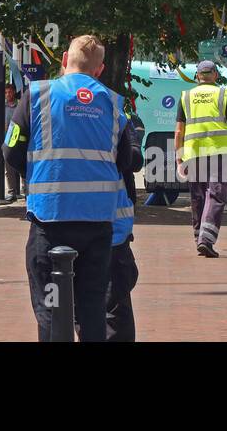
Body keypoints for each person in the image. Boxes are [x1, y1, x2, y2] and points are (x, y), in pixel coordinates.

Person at [4, 34, 126, 342]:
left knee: (51, 306)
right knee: (92, 307)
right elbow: (125, 160)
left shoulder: (37, 94)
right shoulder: (112, 102)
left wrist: (37, 176)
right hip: (98, 223)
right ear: (99, 70)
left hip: (50, 220)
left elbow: (11, 151)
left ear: (63, 60)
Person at [175, 60, 227, 257]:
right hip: (219, 151)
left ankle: (199, 235)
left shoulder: (186, 96)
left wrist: (179, 159)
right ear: (215, 75)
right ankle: (206, 239)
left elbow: (179, 132)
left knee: (198, 196)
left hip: (193, 153)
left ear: (198, 76)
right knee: (216, 195)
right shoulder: (223, 94)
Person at [105, 108, 142, 342]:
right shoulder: (115, 114)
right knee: (114, 303)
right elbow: (134, 160)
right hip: (113, 229)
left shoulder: (46, 108)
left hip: (57, 223)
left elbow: (14, 155)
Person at [3, 83, 23, 200]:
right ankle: (12, 192)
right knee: (9, 167)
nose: (8, 94)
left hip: (19, 139)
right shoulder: (1, 105)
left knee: (21, 166)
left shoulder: (20, 105)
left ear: (14, 92)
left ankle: (24, 190)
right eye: (6, 92)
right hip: (6, 139)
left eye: (9, 92)